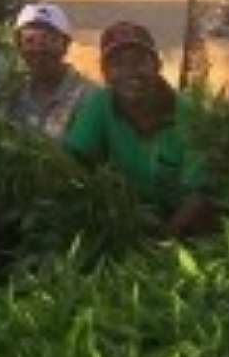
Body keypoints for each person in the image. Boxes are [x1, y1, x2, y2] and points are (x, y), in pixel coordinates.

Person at [63, 22, 218, 237]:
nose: (130, 73)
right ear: (105, 74)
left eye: (139, 62)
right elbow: (74, 162)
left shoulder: (188, 113)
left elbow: (199, 193)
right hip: (125, 219)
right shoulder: (100, 104)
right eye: (117, 64)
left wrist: (164, 240)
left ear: (157, 65)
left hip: (182, 224)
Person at [6, 1, 93, 140]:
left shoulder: (89, 97)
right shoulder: (11, 93)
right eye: (30, 41)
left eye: (49, 40)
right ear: (19, 47)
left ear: (65, 45)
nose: (39, 49)